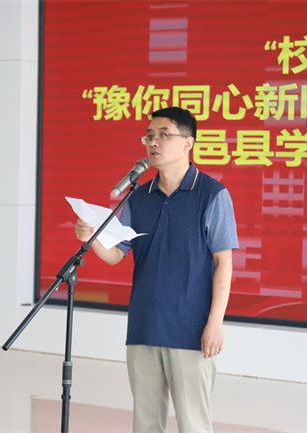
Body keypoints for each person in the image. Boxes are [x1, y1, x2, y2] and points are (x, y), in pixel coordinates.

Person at [74, 106, 238, 433]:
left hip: (191, 329)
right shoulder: (138, 198)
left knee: (193, 424)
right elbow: (117, 254)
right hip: (144, 326)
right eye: (149, 136)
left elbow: (224, 263)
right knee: (146, 423)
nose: (153, 142)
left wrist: (215, 324)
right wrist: (91, 238)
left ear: (188, 143)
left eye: (164, 135)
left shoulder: (212, 194)